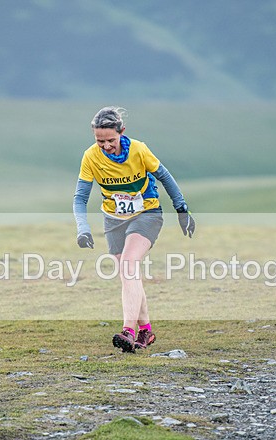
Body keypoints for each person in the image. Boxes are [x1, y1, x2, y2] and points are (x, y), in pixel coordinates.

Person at [73, 106, 195, 353]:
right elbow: (80, 198)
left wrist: (182, 209)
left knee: (129, 265)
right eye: (99, 141)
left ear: (122, 132)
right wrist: (82, 228)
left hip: (146, 215)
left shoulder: (139, 149)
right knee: (129, 275)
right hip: (113, 220)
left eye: (110, 140)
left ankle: (128, 331)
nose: (106, 146)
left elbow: (165, 177)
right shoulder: (90, 156)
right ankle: (146, 331)